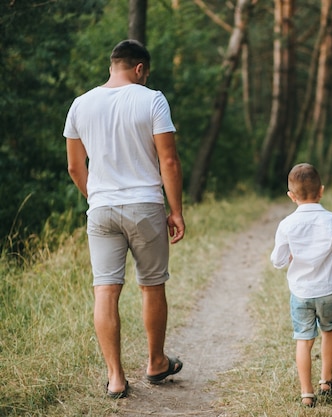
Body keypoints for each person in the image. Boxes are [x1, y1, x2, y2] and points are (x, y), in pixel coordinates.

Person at [64, 39, 185, 399]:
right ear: (139, 69)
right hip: (145, 205)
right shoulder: (152, 99)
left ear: (111, 65)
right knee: (151, 286)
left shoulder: (80, 104)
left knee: (105, 289)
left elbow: (74, 166)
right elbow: (169, 160)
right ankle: (155, 362)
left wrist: (97, 197)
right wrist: (175, 210)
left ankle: (115, 378)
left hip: (100, 209)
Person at [270, 163, 332, 408]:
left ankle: (307, 393)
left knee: (304, 340)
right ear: (322, 191)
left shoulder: (287, 225)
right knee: (329, 331)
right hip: (328, 289)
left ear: (291, 196)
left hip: (301, 292)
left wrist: (293, 257)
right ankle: (326, 382)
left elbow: (277, 260)